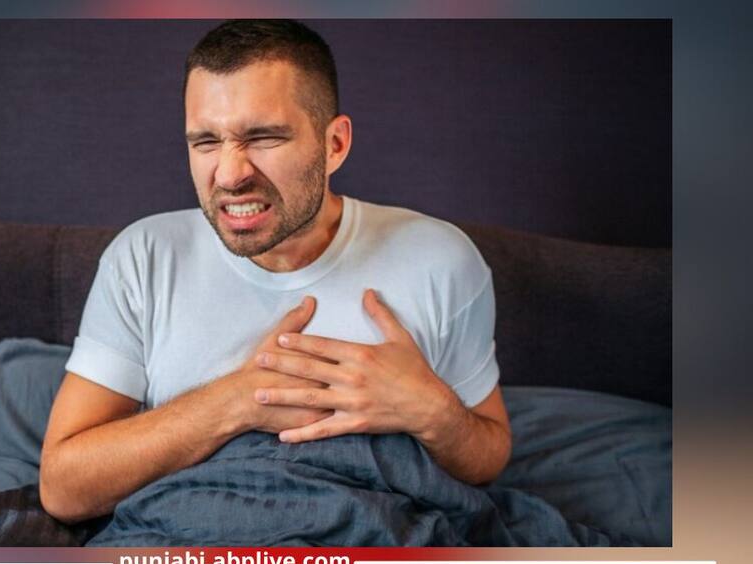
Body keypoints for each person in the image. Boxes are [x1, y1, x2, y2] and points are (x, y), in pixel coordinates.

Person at [39, 19, 511, 524]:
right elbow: (64, 490)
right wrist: (238, 400)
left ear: (335, 144)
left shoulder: (439, 259)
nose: (229, 174)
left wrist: (431, 411)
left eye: (263, 137)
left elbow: (488, 456)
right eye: (205, 142)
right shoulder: (143, 257)